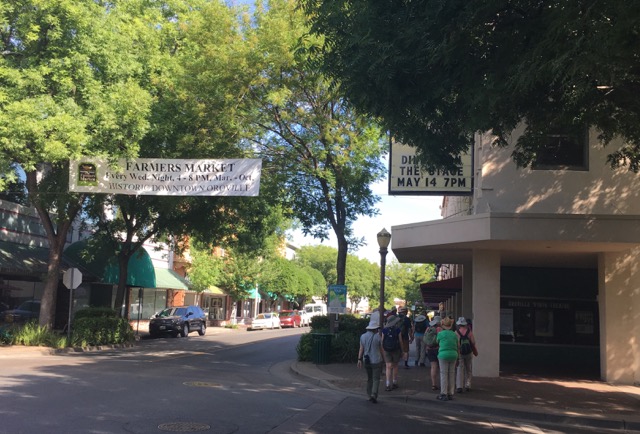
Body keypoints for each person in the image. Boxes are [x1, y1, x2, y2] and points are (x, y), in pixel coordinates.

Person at [357, 312, 385, 403]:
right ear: (375, 329)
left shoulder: (363, 336)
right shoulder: (378, 337)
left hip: (367, 360)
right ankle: (374, 394)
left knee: (369, 378)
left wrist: (359, 359)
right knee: (376, 378)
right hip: (377, 360)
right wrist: (384, 359)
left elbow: (361, 349)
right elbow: (381, 349)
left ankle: (369, 395)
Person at [436, 316, 459, 401]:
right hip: (454, 354)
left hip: (443, 355)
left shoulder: (440, 334)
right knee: (452, 374)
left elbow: (437, 342)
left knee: (444, 374)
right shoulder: (454, 334)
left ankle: (443, 393)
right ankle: (450, 393)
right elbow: (458, 345)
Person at [381, 314, 403, 391]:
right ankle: (394, 382)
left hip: (387, 349)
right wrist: (402, 350)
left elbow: (382, 341)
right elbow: (400, 341)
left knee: (388, 366)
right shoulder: (397, 330)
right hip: (396, 349)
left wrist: (382, 350)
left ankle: (387, 384)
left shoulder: (384, 330)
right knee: (395, 366)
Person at [455, 316, 477, 393]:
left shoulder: (456, 332)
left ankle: (459, 386)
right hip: (469, 352)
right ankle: (468, 384)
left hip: (460, 352)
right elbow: (473, 342)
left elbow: (456, 343)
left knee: (460, 368)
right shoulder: (469, 332)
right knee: (468, 369)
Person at [424, 315, 441, 390]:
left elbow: (425, 338)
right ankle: (442, 383)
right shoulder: (439, 329)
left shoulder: (428, 329)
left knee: (433, 366)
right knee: (440, 367)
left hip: (429, 349)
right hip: (438, 349)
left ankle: (433, 384)